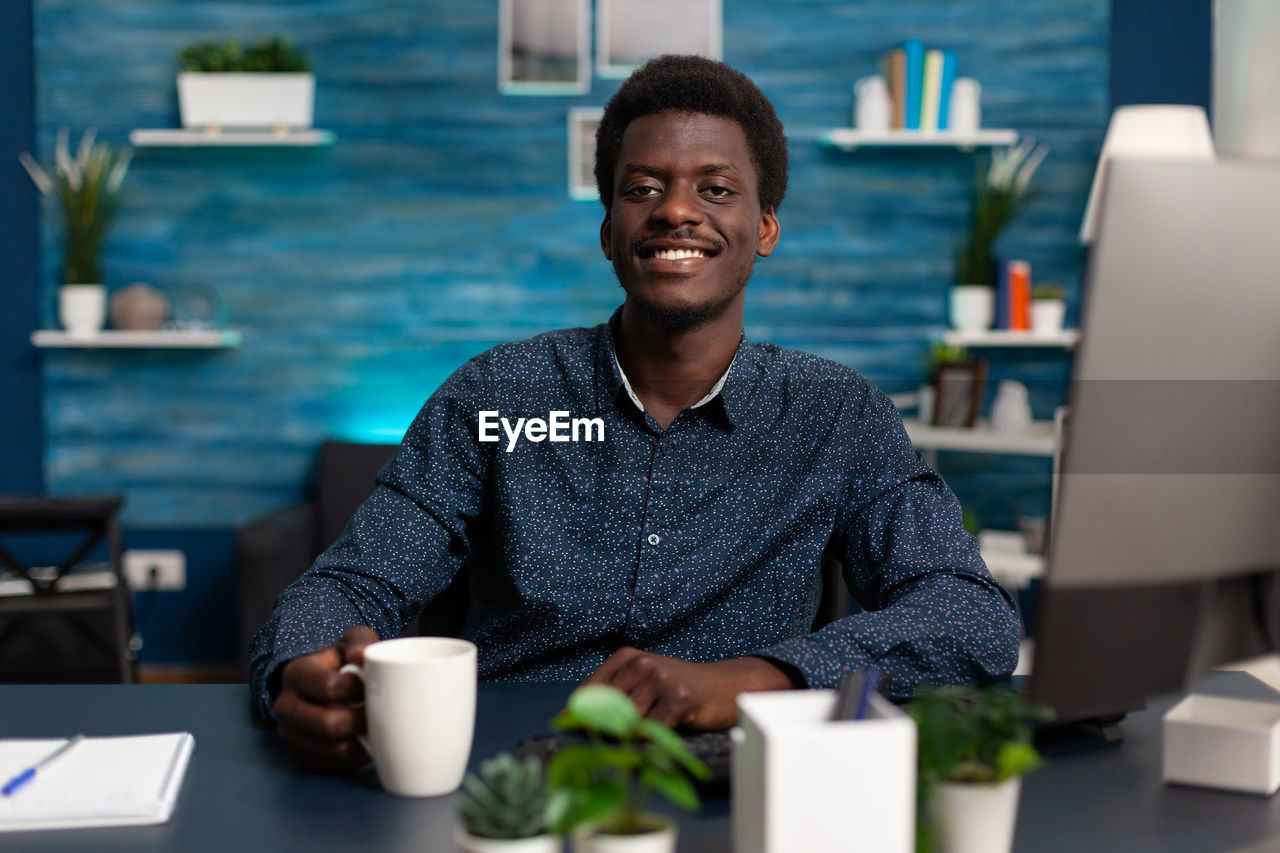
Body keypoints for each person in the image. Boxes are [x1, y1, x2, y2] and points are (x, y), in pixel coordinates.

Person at [250, 55, 1021, 771]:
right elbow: (350, 583)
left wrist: (760, 678)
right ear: (609, 234)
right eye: (642, 189)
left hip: (734, 776)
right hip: (505, 772)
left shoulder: (837, 415)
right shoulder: (494, 395)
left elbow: (970, 613)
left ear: (765, 228)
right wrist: (304, 666)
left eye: (716, 189)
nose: (676, 210)